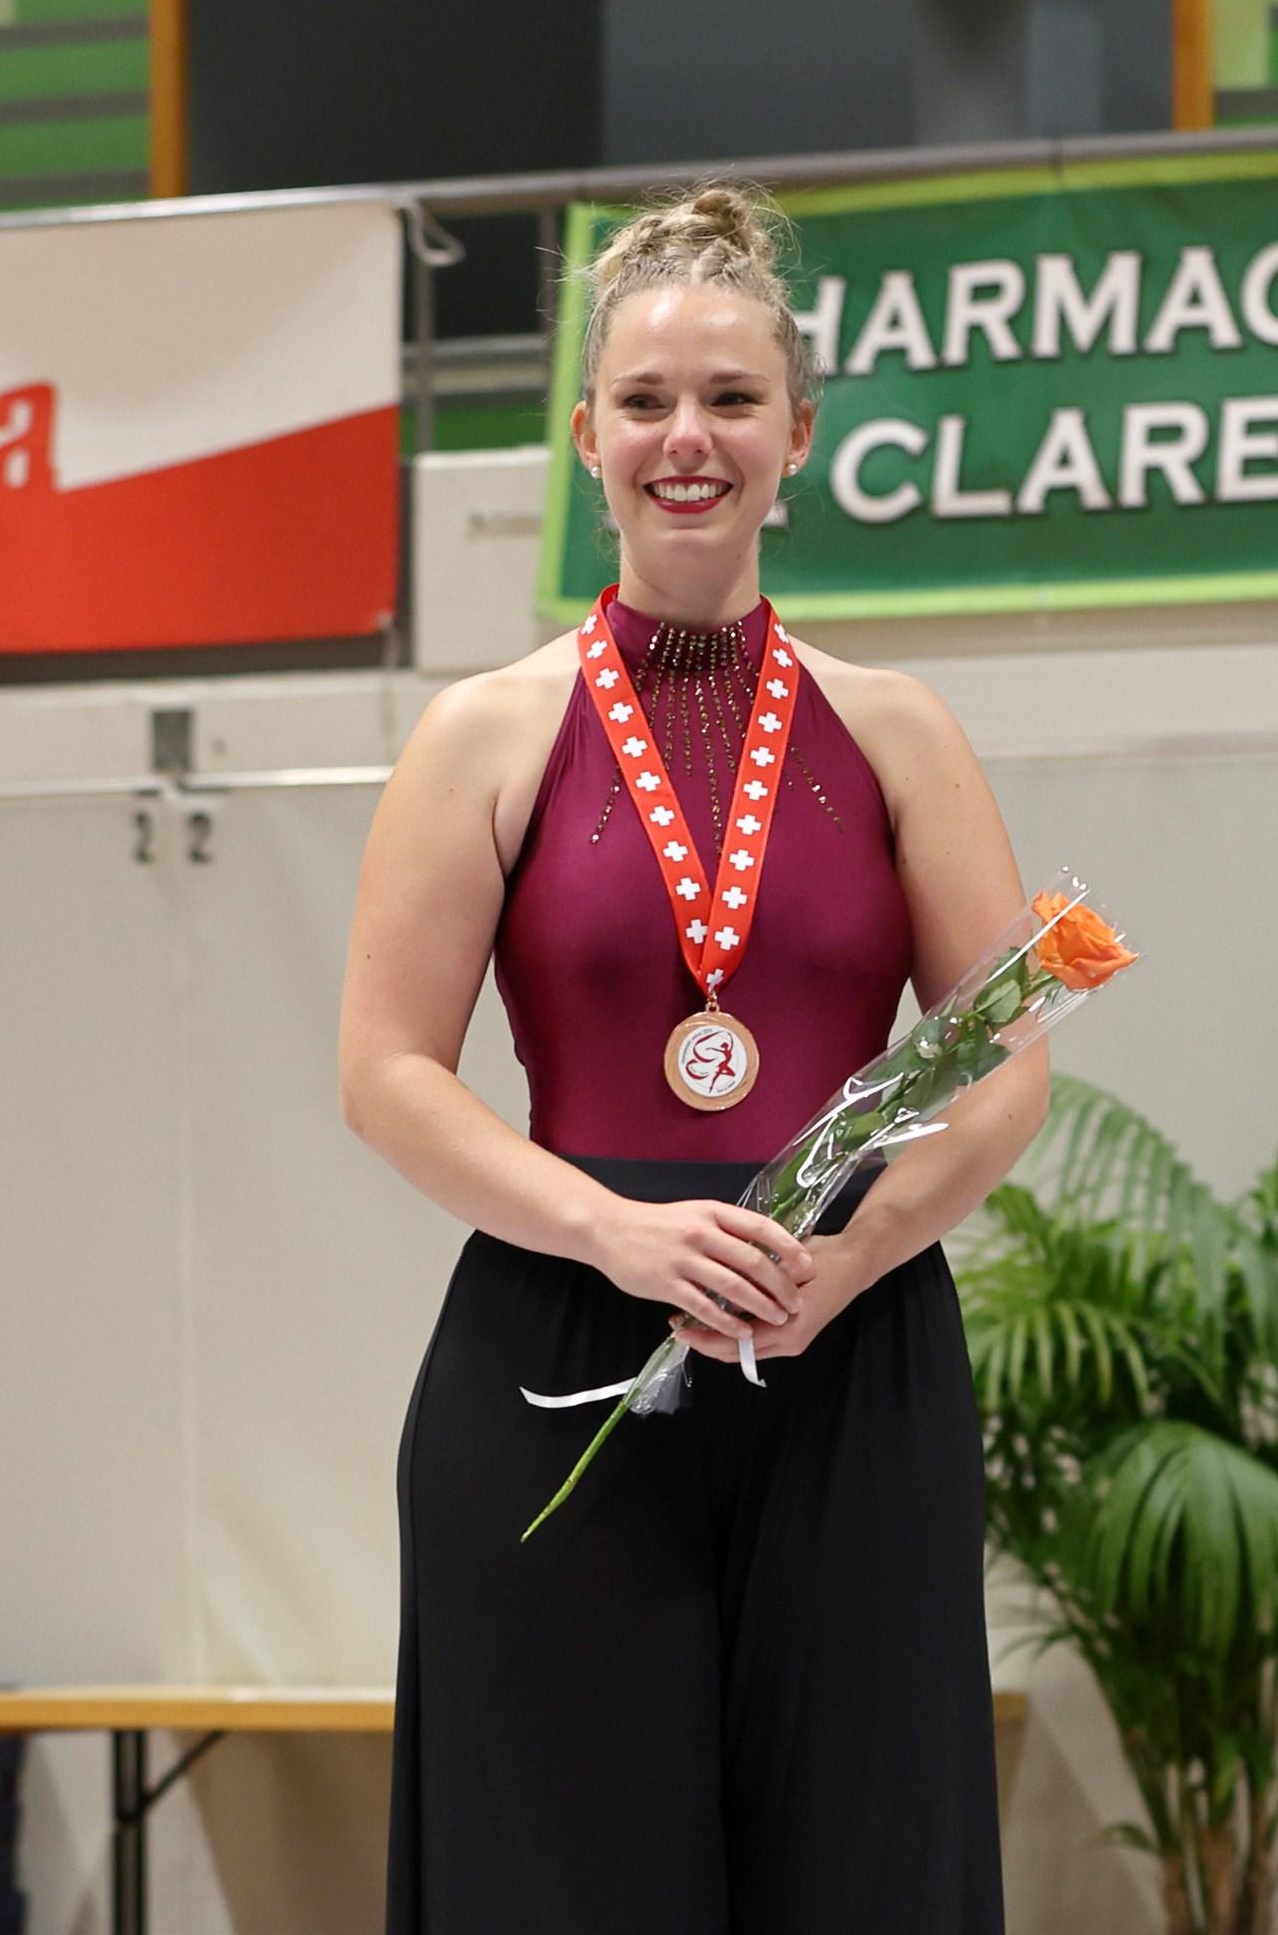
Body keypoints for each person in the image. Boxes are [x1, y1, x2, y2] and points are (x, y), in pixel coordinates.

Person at [338, 182, 1047, 1934]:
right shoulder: (482, 736)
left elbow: (1007, 1067)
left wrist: (851, 1261)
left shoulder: (899, 732)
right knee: (571, 1888)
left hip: (848, 1356)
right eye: (647, 400)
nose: (689, 439)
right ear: (585, 434)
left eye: (733, 399)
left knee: (865, 1876)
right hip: (563, 1355)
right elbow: (388, 1073)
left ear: (798, 434)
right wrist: (614, 1233)